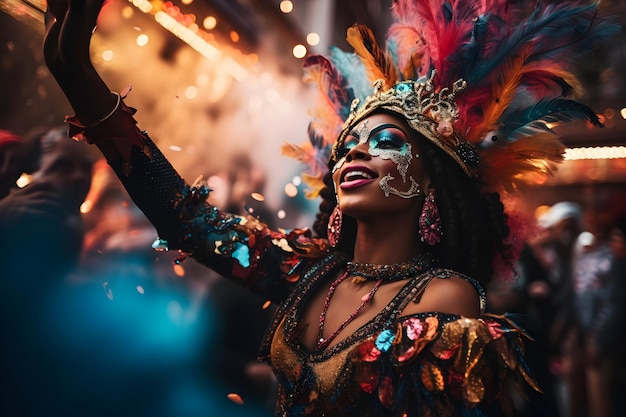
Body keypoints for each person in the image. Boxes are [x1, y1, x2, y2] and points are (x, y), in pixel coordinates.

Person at [42, 0, 618, 415]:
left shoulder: (444, 300)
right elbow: (189, 222)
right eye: (350, 144)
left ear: (432, 183)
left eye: (388, 142)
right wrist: (81, 81)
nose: (357, 151)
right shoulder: (312, 269)